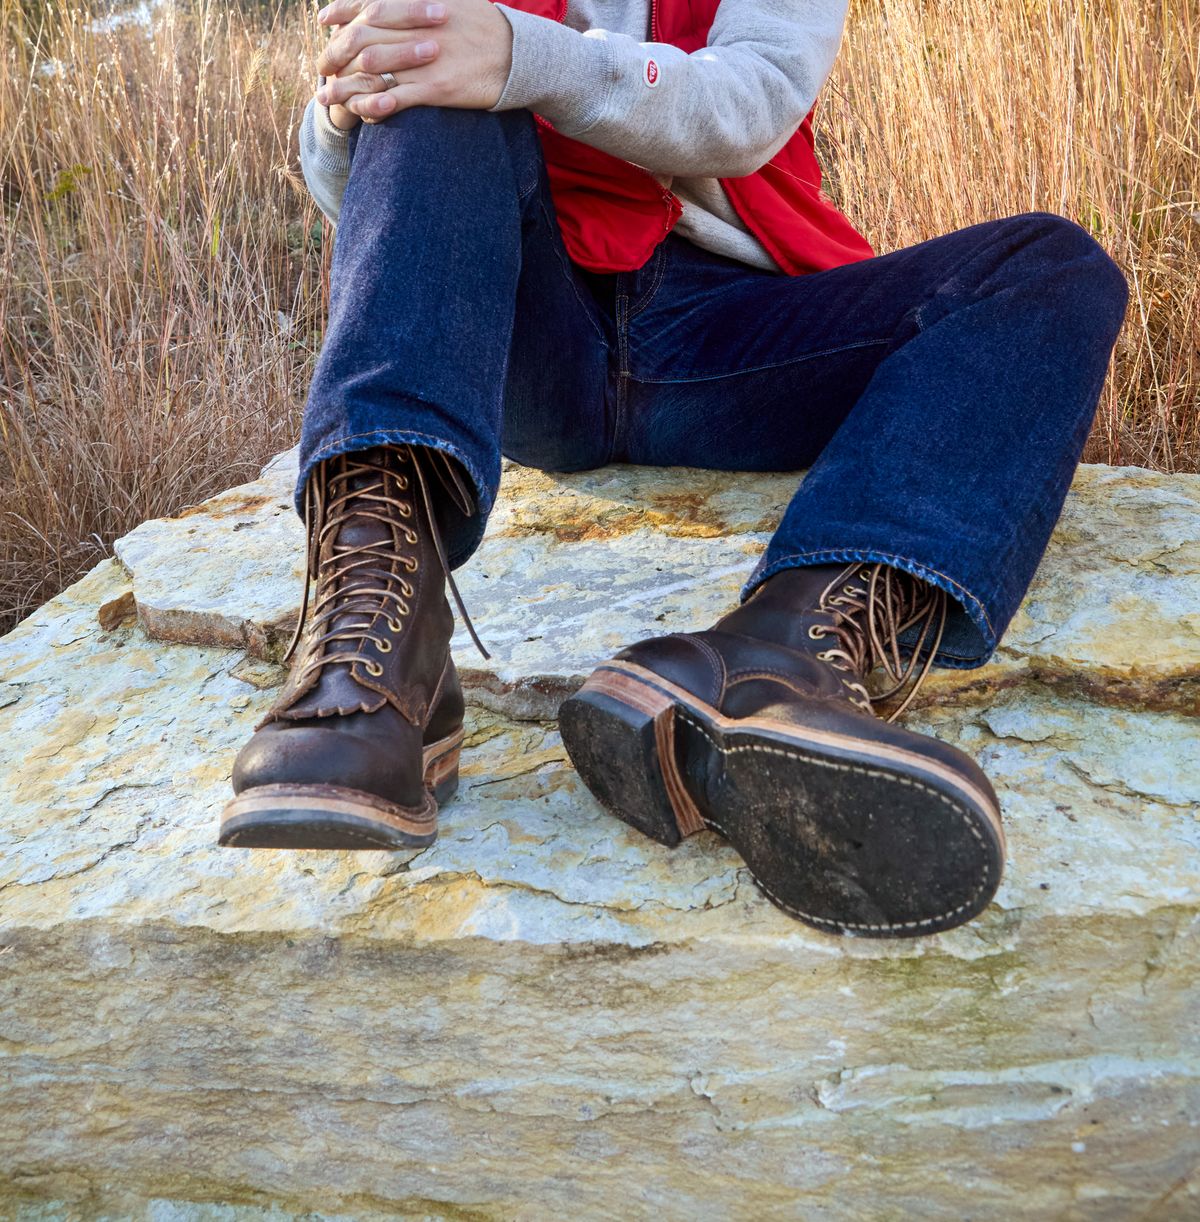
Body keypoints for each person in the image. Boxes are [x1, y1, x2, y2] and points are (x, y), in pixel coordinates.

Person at [219, 0, 1129, 938]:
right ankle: (380, 634)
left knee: (1050, 267)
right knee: (436, 71)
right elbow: (371, 200)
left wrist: (526, 56)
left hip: (737, 337)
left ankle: (779, 662)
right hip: (534, 341)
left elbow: (750, 105)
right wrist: (353, 100)